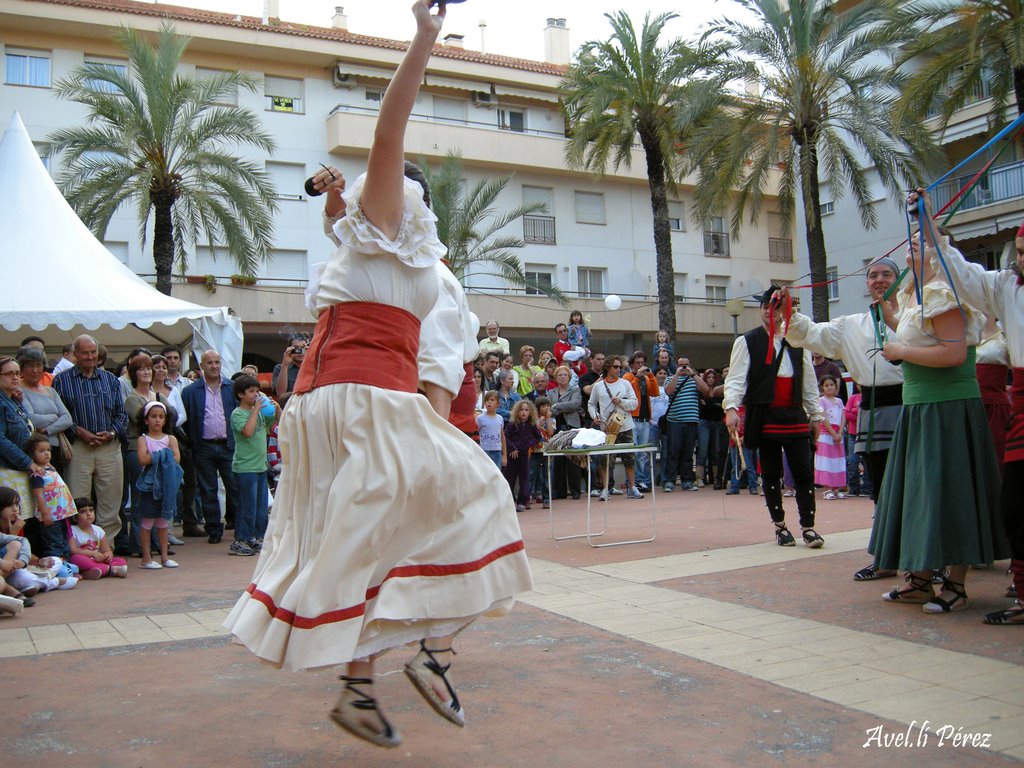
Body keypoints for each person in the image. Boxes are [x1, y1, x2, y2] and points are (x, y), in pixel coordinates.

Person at [223, 2, 531, 748]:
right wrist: (423, 40)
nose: (390, 191)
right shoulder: (385, 228)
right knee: (478, 498)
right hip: (357, 397)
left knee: (377, 544)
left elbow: (353, 235)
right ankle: (432, 653)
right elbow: (389, 134)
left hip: (354, 399)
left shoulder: (394, 255)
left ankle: (363, 686)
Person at [870, 189, 1008, 615]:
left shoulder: (943, 293)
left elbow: (952, 353)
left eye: (917, 242)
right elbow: (917, 333)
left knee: (951, 492)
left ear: (935, 252)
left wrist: (901, 351)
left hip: (946, 408)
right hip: (922, 408)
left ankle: (956, 583)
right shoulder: (918, 295)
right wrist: (890, 313)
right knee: (923, 494)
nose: (910, 245)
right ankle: (922, 580)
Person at [779, 258, 905, 579]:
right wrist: (789, 312)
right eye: (872, 275)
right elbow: (811, 334)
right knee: (880, 488)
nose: (878, 280)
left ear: (899, 279)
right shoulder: (851, 324)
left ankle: (926, 561)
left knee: (916, 485)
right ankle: (886, 557)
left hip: (911, 406)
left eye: (886, 274)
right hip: (873, 410)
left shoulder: (913, 317)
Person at [937, 221, 1024, 624]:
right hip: (1015, 411)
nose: (1021, 261)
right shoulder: (1009, 288)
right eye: (1019, 253)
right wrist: (934, 234)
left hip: (1001, 407)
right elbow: (966, 276)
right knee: (1014, 503)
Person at [724, 287, 825, 548]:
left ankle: (808, 527)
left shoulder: (798, 340)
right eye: (765, 307)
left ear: (784, 310)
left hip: (794, 414)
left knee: (803, 473)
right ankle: (780, 527)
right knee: (771, 473)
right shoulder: (747, 341)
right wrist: (731, 409)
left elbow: (808, 383)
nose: (769, 312)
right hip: (764, 414)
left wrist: (815, 415)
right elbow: (735, 380)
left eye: (775, 306)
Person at [52, 335, 127, 542]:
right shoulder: (61, 380)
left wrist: (111, 433)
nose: (90, 356)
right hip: (78, 446)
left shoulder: (110, 380)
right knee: (78, 501)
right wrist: (78, 431)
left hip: (109, 447)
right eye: (85, 352)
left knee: (110, 503)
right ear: (75, 355)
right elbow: (60, 414)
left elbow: (122, 414)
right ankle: (81, 549)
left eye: (93, 352)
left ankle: (106, 548)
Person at [181, 349, 239, 545]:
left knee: (235, 487)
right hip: (203, 446)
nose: (214, 366)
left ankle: (241, 527)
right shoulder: (190, 392)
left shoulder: (232, 387)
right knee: (208, 489)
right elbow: (185, 420)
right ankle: (214, 529)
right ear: (201, 366)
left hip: (228, 445)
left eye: (217, 362)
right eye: (210, 363)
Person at [230, 374, 279, 557]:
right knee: (247, 506)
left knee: (260, 507)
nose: (256, 395)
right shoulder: (238, 413)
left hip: (260, 466)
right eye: (251, 391)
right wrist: (256, 411)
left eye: (257, 391)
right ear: (240, 394)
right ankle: (240, 539)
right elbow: (248, 432)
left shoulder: (257, 413)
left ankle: (257, 536)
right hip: (245, 468)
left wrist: (276, 408)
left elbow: (275, 423)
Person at [588, 357, 644, 501]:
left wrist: (621, 402)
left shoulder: (625, 384)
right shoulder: (598, 386)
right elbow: (591, 404)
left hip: (625, 426)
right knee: (605, 459)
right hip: (607, 427)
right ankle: (605, 489)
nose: (618, 369)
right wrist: (596, 416)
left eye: (620, 367)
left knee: (629, 458)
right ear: (608, 368)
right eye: (615, 367)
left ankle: (632, 487)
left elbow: (634, 403)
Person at [18, 347, 74, 477]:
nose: (35, 370)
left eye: (38, 365)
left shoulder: (50, 391)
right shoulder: (19, 391)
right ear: (22, 369)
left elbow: (67, 419)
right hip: (34, 451)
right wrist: (55, 417)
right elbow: (31, 419)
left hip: (55, 449)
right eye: (30, 366)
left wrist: (47, 430)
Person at [662, 356, 710, 492]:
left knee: (688, 452)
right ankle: (669, 481)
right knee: (673, 451)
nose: (683, 368)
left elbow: (706, 390)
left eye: (686, 365)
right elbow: (667, 391)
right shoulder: (670, 378)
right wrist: (676, 375)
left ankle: (687, 480)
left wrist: (693, 374)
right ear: (676, 366)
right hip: (674, 421)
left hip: (691, 420)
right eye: (681, 365)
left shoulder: (695, 379)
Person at [24, 433, 76, 559]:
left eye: (48, 450)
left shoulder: (49, 468)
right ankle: (54, 568)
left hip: (61, 514)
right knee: (54, 543)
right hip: (51, 515)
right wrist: (45, 513)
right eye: (41, 451)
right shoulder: (37, 475)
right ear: (32, 454)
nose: (47, 453)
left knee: (64, 541)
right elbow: (39, 495)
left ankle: (65, 567)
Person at [622, 351, 659, 493]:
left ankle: (642, 481)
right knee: (634, 452)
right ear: (632, 364)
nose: (641, 365)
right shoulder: (628, 376)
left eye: (642, 362)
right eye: (638, 363)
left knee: (642, 453)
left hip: (644, 419)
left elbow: (655, 392)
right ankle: (633, 481)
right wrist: (638, 376)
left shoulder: (646, 378)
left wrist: (650, 376)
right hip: (632, 419)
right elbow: (628, 390)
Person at [68, 497, 128, 579]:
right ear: (74, 517)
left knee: (121, 561)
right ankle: (110, 570)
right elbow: (73, 550)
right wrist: (92, 554)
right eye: (83, 511)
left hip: (98, 561)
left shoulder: (98, 530)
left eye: (91, 510)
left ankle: (91, 572)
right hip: (84, 559)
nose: (89, 514)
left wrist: (107, 555)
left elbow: (106, 550)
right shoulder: (73, 530)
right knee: (76, 559)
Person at [548, 365, 582, 500]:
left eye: (565, 375)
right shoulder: (551, 392)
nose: (562, 377)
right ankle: (559, 491)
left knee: (573, 459)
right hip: (557, 428)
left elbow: (574, 404)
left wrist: (557, 406)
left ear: (569, 377)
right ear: (555, 377)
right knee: (558, 460)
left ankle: (575, 491)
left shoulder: (575, 390)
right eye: (560, 375)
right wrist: (559, 408)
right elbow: (549, 410)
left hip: (571, 426)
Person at [504, 399, 543, 513]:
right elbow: (506, 437)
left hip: (525, 455)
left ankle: (522, 502)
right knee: (509, 479)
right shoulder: (512, 424)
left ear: (530, 412)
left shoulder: (531, 425)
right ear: (517, 411)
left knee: (524, 479)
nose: (523, 412)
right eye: (521, 410)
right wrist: (512, 448)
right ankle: (509, 500)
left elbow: (538, 437)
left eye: (526, 410)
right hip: (513, 455)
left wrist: (531, 444)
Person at [814, 374, 846, 499]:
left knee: (837, 461)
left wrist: (840, 433)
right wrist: (833, 433)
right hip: (826, 435)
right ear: (822, 387)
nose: (829, 388)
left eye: (831, 385)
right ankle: (827, 489)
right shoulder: (821, 400)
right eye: (826, 385)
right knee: (826, 461)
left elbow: (843, 417)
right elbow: (823, 418)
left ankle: (836, 488)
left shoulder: (839, 401)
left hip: (838, 435)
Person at [697, 368, 727, 489]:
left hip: (718, 423)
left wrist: (709, 405)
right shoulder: (701, 390)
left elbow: (721, 407)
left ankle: (716, 478)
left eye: (713, 377)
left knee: (716, 451)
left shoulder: (720, 390)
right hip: (704, 422)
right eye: (708, 377)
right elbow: (703, 408)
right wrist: (714, 405)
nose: (711, 379)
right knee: (702, 450)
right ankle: (699, 478)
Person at [532, 397, 555, 510]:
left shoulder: (552, 420)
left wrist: (548, 419)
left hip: (547, 450)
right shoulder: (534, 419)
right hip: (535, 450)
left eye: (547, 406)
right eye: (543, 406)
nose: (546, 408)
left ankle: (546, 499)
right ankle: (528, 497)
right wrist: (539, 421)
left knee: (547, 474)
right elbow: (534, 430)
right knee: (532, 474)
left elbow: (550, 432)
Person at [476, 391, 506, 469]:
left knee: (497, 473)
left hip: (497, 452)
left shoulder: (500, 418)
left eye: (492, 400)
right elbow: (476, 434)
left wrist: (504, 455)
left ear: (498, 404)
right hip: (484, 451)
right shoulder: (480, 418)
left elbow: (502, 437)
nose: (489, 402)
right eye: (487, 400)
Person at [273, 334, 308, 398]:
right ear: (289, 349)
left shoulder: (313, 367)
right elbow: (280, 394)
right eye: (296, 348)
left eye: (303, 348)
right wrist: (285, 365)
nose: (300, 351)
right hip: (289, 405)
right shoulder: (280, 368)